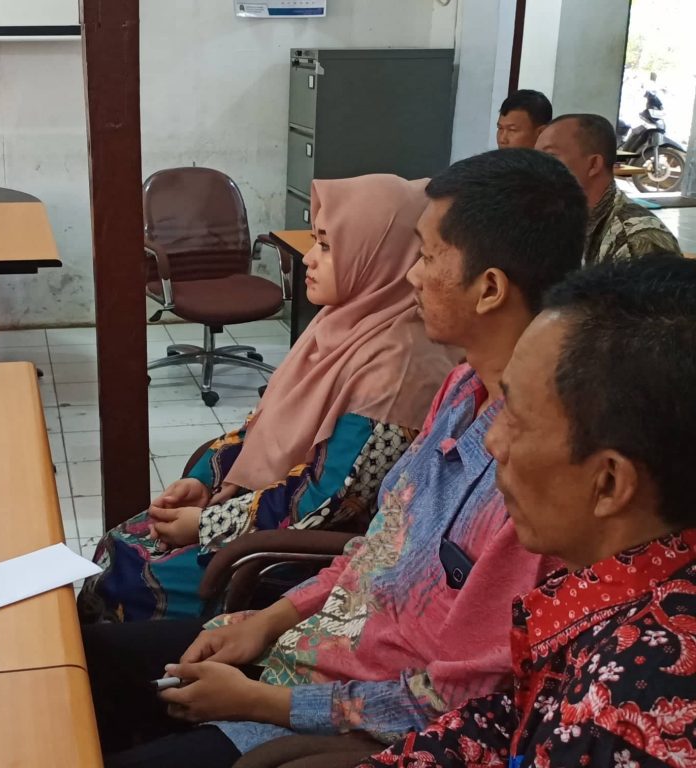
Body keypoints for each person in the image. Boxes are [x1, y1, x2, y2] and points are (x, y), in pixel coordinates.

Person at [82, 148, 589, 768]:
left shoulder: (533, 478)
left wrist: (263, 702)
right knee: (88, 666)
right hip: (313, 646)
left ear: (489, 288)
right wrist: (268, 620)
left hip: (344, 715)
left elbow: (456, 701)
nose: (412, 275)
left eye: (429, 257)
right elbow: (377, 547)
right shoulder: (460, 391)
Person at [350, 256, 696, 768]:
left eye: (515, 416)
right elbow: (513, 719)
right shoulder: (607, 588)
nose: (492, 441)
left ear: (608, 483)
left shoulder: (621, 719)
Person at [79, 174, 461, 623]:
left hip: (291, 558)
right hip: (258, 519)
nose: (309, 258)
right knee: (114, 545)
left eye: (327, 246)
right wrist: (204, 481)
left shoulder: (398, 370)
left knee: (121, 576)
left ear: (379, 256)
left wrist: (205, 524)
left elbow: (328, 504)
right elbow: (263, 427)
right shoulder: (340, 326)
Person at [536, 113, 681, 265]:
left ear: (593, 165)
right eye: (536, 156)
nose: (537, 166)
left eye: (550, 156)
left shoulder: (637, 240)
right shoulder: (557, 216)